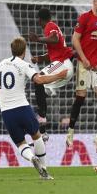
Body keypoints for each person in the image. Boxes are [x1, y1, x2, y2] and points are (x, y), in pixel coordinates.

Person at [0, 37, 67, 180]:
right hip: (22, 107)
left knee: (21, 143)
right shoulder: (24, 65)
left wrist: (6, 95)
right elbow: (39, 80)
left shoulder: (1, 64)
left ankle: (32, 157)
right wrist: (59, 75)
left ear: (12, 49)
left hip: (6, 111)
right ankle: (44, 169)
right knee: (37, 136)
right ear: (24, 50)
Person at [67, 0, 97, 155]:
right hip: (84, 65)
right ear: (94, 3)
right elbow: (74, 39)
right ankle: (70, 133)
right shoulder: (85, 18)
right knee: (80, 98)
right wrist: (84, 58)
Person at [29, 8, 75, 142]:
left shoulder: (50, 26)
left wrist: (38, 39)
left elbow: (54, 39)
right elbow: (54, 52)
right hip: (62, 64)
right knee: (40, 87)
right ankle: (43, 131)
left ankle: (42, 118)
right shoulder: (52, 28)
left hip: (63, 64)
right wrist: (40, 58)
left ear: (39, 20)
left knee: (38, 79)